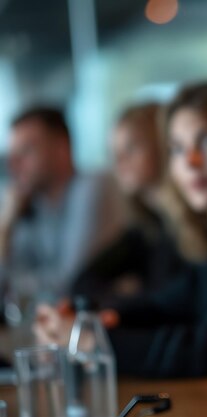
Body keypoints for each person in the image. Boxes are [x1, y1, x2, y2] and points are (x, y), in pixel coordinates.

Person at [35, 82, 207, 416]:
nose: (191, 161)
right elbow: (168, 304)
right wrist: (89, 320)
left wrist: (93, 341)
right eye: (177, 148)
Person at [0, 106, 124, 320]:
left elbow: (70, 283)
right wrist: (6, 224)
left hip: (105, 327)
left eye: (26, 151)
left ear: (61, 148)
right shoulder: (29, 204)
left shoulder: (92, 187)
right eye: (13, 154)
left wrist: (18, 285)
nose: (14, 164)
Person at [70, 102, 185, 307]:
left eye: (131, 147)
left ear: (163, 145)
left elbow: (175, 309)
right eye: (113, 152)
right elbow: (80, 283)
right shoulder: (146, 228)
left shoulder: (193, 227)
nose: (119, 160)